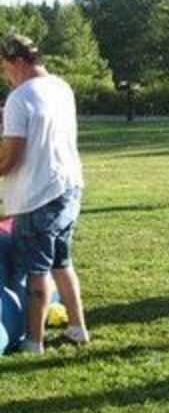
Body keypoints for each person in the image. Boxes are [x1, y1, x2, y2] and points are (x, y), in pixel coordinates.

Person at [0, 34, 89, 355]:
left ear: (19, 63)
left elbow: (12, 156)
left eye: (6, 69)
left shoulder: (20, 97)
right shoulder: (61, 87)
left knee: (37, 272)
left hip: (37, 195)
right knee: (62, 262)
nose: (6, 76)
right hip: (68, 187)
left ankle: (33, 342)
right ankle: (78, 328)